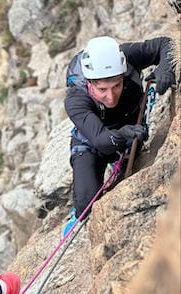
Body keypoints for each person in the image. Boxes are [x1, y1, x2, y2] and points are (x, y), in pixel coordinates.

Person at [60, 35, 176, 236]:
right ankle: (77, 210)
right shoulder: (75, 100)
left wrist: (165, 66)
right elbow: (101, 141)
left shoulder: (127, 56)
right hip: (92, 141)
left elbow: (166, 44)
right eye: (102, 89)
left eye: (117, 85)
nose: (110, 96)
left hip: (130, 128)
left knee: (130, 149)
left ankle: (120, 160)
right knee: (86, 205)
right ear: (89, 83)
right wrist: (122, 135)